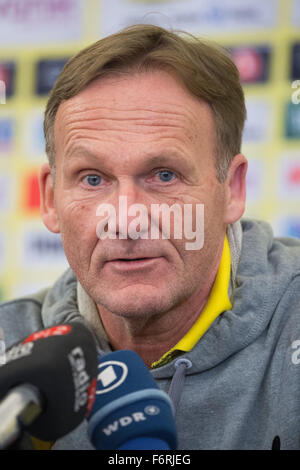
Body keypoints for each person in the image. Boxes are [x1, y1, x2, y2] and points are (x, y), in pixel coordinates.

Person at [1, 23, 300, 450]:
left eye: (164, 175)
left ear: (232, 190)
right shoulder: (10, 358)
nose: (126, 220)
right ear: (50, 199)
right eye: (92, 179)